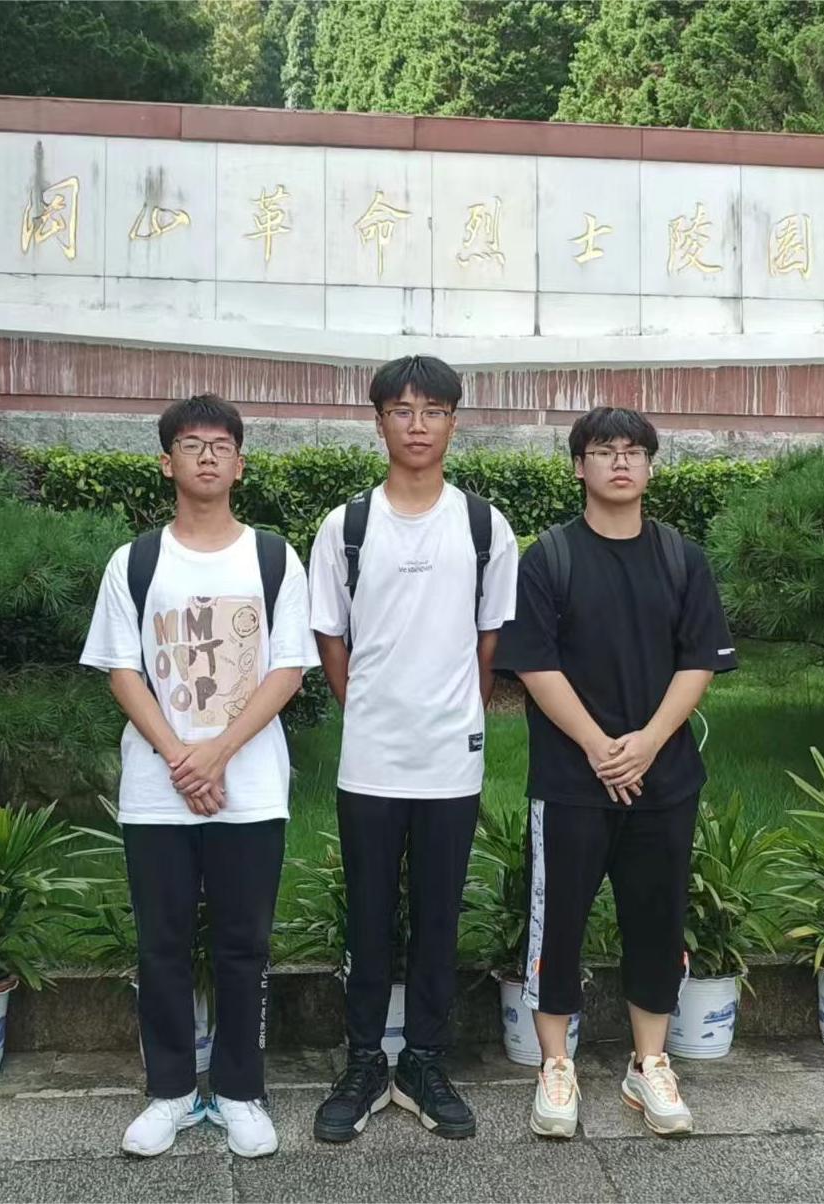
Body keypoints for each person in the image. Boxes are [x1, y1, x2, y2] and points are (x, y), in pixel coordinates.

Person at [80, 394, 319, 1160]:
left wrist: (214, 755)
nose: (208, 455)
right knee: (163, 945)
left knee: (244, 945)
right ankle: (172, 1093)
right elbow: (121, 670)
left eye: (221, 445)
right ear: (167, 462)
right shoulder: (135, 561)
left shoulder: (274, 558)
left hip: (249, 790)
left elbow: (288, 669)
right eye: (191, 444)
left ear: (240, 464)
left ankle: (241, 1092)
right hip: (157, 794)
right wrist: (182, 759)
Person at [495, 405, 738, 1140]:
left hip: (664, 781)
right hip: (571, 784)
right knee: (558, 924)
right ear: (579, 467)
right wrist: (601, 747)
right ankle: (554, 1066)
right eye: (604, 451)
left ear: (651, 467)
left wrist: (647, 744)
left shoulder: (681, 559)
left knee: (656, 922)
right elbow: (534, 664)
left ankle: (649, 1063)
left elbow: (699, 661)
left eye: (634, 451)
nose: (620, 462)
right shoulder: (549, 558)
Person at [307, 354, 518, 1143]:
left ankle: (424, 1061)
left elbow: (489, 640)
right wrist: (364, 706)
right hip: (369, 758)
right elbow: (330, 635)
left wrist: (452, 709)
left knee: (437, 915)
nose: (417, 425)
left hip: (449, 760)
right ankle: (364, 1061)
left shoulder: (483, 526)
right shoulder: (347, 526)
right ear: (379, 423)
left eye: (433, 410)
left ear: (453, 422)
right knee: (368, 915)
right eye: (402, 410)